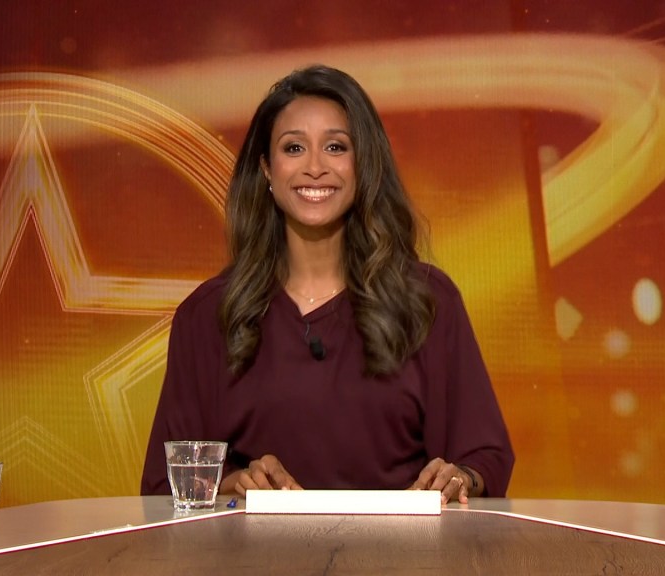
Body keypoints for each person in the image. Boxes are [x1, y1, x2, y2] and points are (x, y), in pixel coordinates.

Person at [141, 64, 514, 504]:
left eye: (336, 147)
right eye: (294, 147)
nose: (315, 167)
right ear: (266, 169)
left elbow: (484, 457)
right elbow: (164, 487)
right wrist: (233, 484)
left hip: (403, 547)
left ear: (363, 165)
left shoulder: (427, 301)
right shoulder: (208, 315)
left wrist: (459, 479)